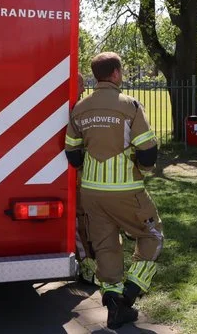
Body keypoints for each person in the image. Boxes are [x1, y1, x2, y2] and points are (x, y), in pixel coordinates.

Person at [64, 53, 162, 329]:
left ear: (96, 75)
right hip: (126, 190)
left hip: (92, 193)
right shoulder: (129, 105)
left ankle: (113, 303)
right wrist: (144, 169)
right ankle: (131, 292)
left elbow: (72, 152)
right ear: (116, 74)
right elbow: (147, 149)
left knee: (106, 245)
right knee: (153, 235)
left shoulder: (80, 108)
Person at [73, 72, 97, 285]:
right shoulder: (77, 110)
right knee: (79, 220)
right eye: (80, 85)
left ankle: (91, 262)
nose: (83, 90)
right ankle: (87, 264)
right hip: (78, 175)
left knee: (87, 219)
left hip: (85, 175)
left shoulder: (79, 109)